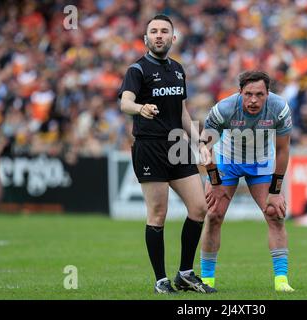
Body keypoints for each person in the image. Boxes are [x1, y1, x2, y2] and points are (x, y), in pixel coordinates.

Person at [118, 14, 215, 294]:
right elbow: (125, 102)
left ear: (173, 38)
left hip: (177, 144)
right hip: (149, 146)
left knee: (199, 208)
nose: (159, 35)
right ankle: (161, 280)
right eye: (154, 31)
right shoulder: (137, 69)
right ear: (146, 38)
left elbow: (182, 111)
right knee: (158, 214)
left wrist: (198, 141)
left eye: (164, 31)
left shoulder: (178, 69)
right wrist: (140, 108)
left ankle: (185, 273)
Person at [198, 71, 295, 292]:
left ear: (268, 94)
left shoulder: (279, 108)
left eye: (259, 94)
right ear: (240, 92)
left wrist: (276, 190)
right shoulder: (224, 108)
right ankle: (207, 280)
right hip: (226, 161)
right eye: (248, 94)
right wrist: (214, 182)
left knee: (275, 214)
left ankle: (281, 281)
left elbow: (282, 149)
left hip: (260, 162)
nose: (253, 100)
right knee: (213, 215)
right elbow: (204, 145)